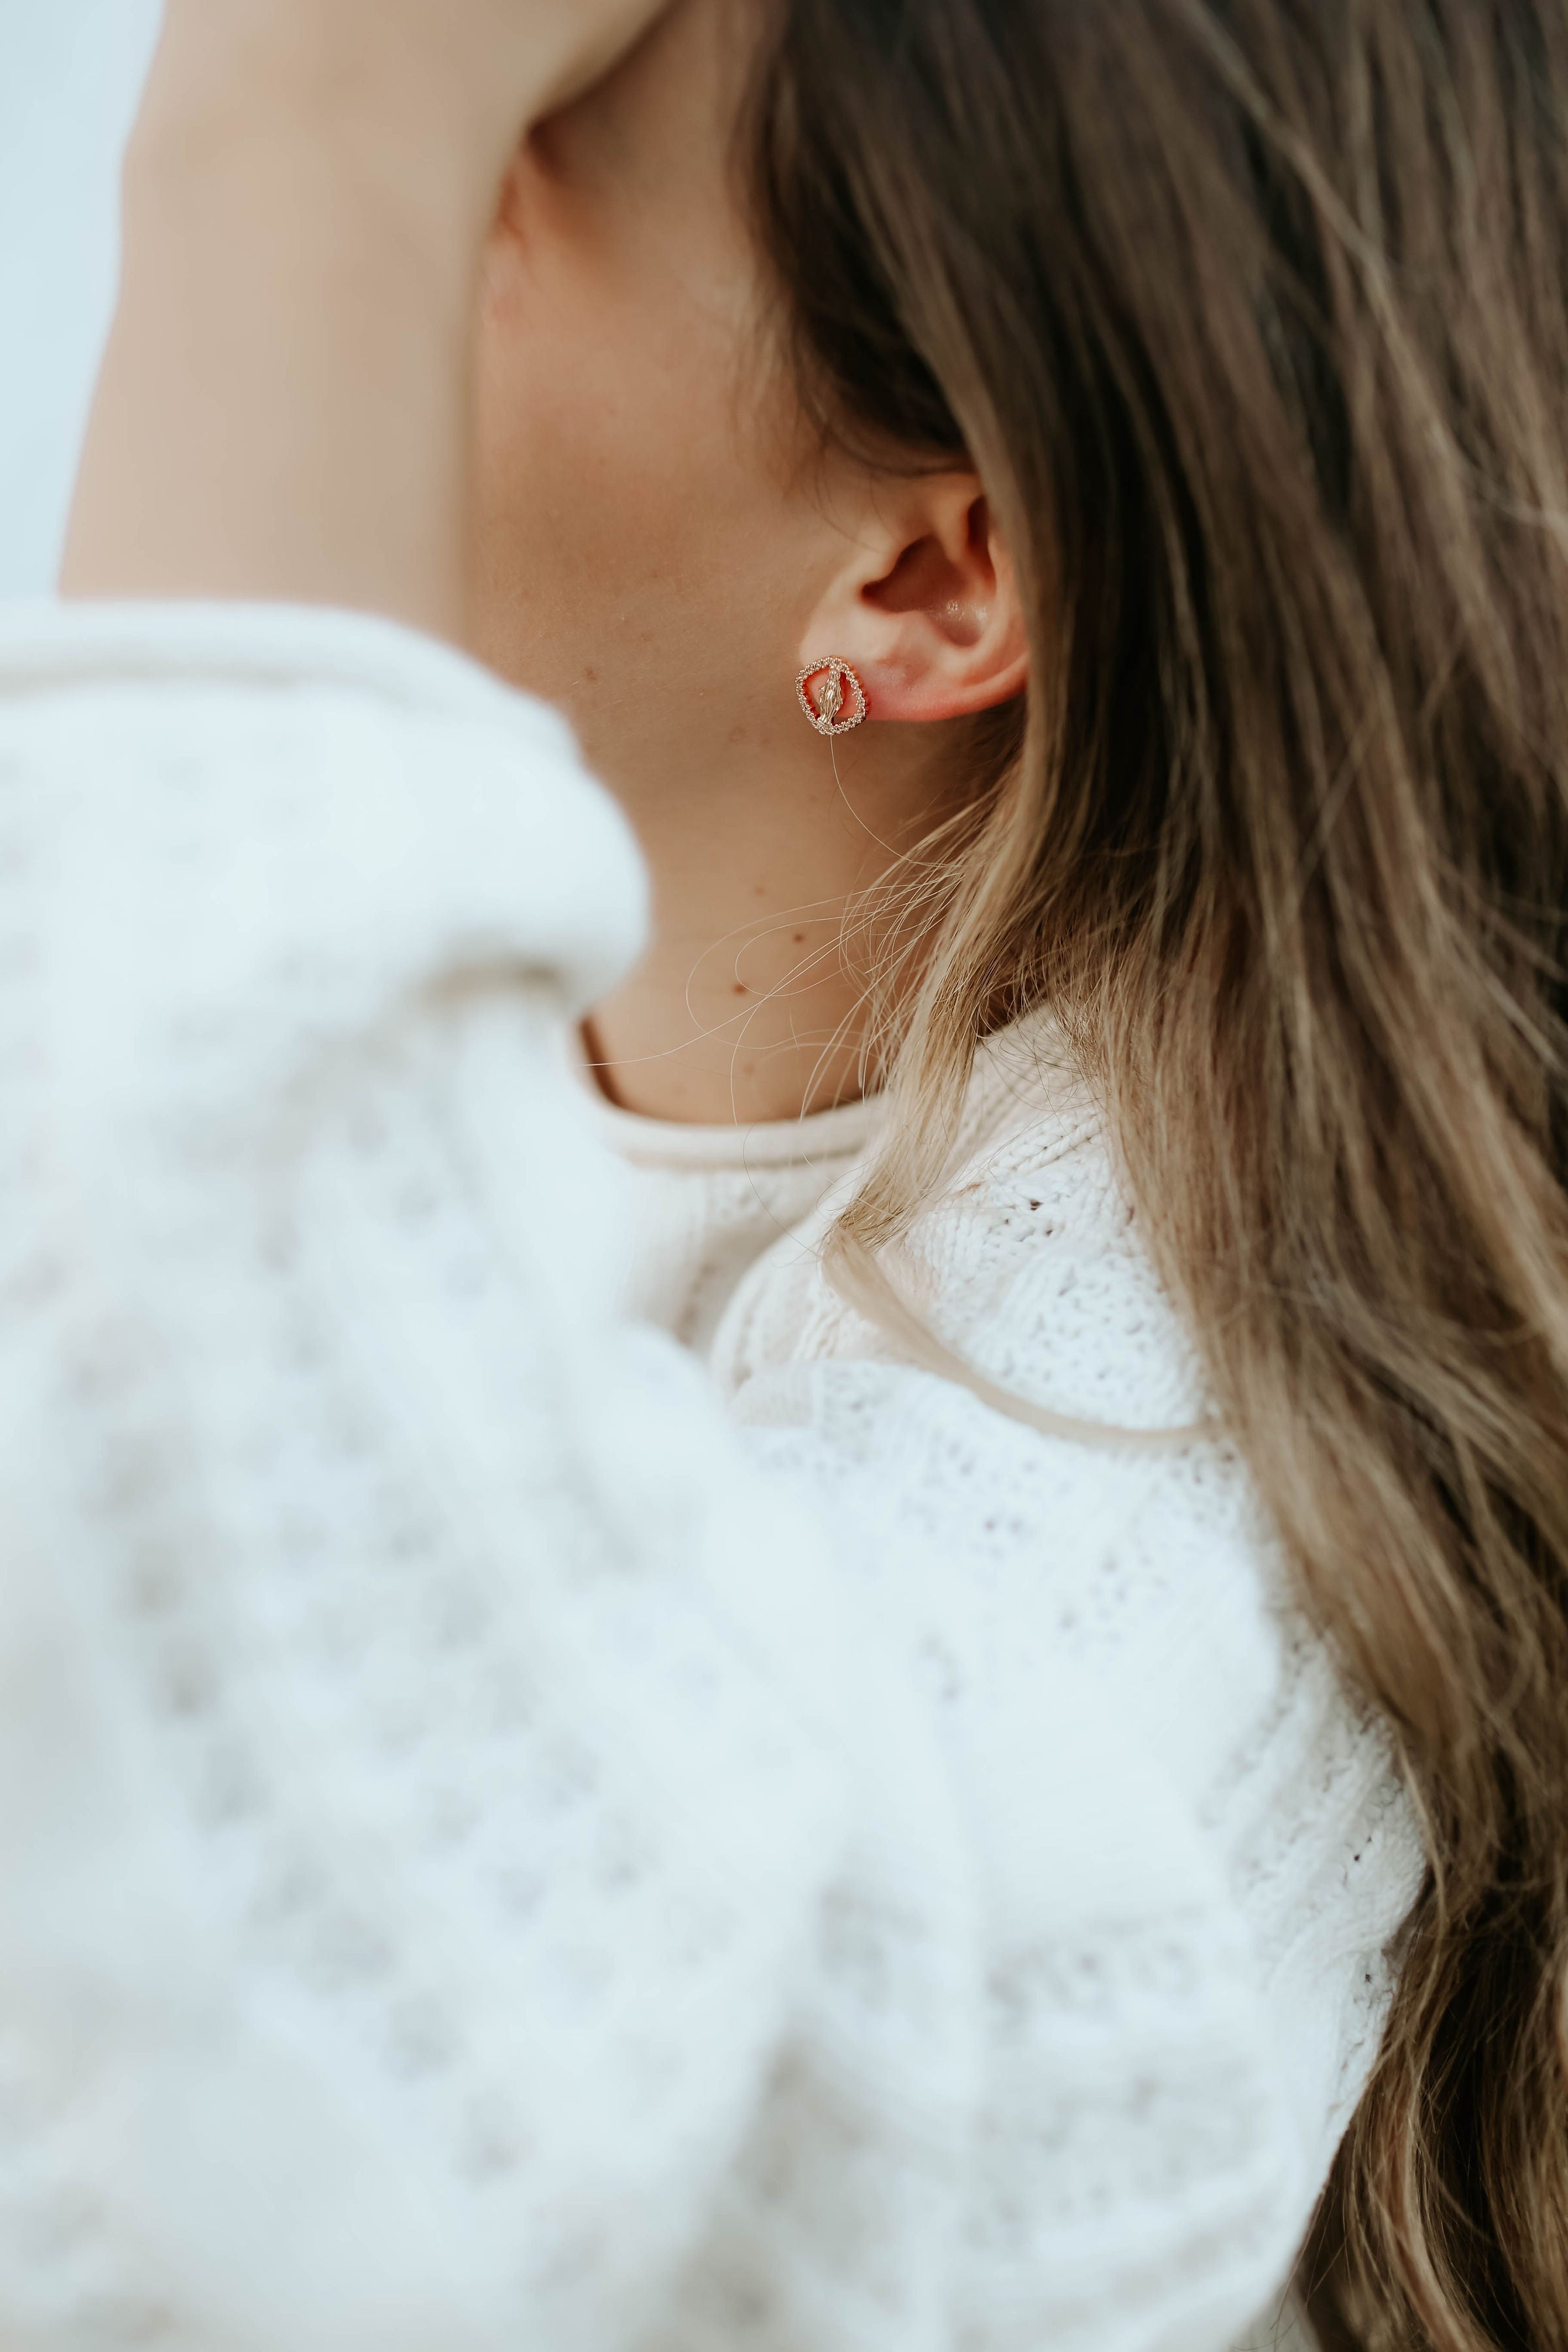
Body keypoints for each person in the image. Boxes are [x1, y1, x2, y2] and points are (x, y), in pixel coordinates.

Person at [1, 0, 1563, 2345]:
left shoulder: (1212, 1487)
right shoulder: (193, 1056)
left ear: (928, 587)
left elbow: (476, 2143)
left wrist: (296, 153)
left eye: (504, 118)